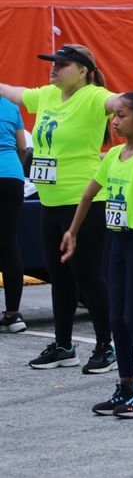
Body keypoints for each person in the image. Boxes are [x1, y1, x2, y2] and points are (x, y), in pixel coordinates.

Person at [0, 44, 121, 372]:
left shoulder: (94, 97)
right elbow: (11, 90)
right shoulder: (47, 96)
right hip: (50, 202)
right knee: (59, 277)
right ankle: (65, 346)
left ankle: (106, 347)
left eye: (62, 64)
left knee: (87, 275)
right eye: (52, 62)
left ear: (83, 71)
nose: (54, 68)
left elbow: (118, 102)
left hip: (84, 203)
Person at [59, 92, 133, 417]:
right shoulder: (113, 156)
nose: (115, 120)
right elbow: (88, 194)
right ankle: (125, 386)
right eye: (115, 115)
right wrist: (73, 231)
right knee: (115, 319)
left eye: (122, 115)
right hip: (117, 242)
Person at [0, 95, 26, 333]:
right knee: (9, 244)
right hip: (12, 177)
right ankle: (13, 313)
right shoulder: (10, 106)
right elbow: (21, 147)